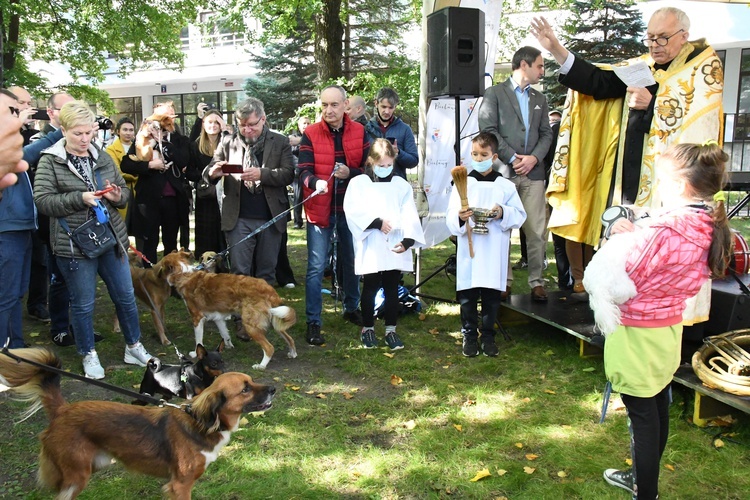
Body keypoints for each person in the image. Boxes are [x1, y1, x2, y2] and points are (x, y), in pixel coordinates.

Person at [530, 7, 723, 305]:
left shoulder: (703, 67)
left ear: (684, 36)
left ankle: (660, 315)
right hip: (627, 180)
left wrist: (653, 105)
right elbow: (598, 83)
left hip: (673, 185)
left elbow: (700, 127)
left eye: (663, 38)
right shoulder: (642, 66)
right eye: (650, 39)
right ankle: (625, 309)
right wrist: (556, 48)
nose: (655, 45)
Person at [582, 142, 731, 499]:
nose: (658, 187)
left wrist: (617, 241)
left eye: (661, 180)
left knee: (642, 416)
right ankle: (640, 478)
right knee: (657, 402)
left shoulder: (663, 231)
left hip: (635, 332)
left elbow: (619, 284)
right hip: (668, 327)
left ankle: (644, 490)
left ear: (680, 185)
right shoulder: (707, 223)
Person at [33, 101, 153, 379]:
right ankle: (88, 353)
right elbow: (43, 201)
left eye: (89, 133)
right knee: (83, 303)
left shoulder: (101, 155)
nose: (85, 139)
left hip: (110, 238)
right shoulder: (50, 159)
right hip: (74, 245)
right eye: (78, 133)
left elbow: (124, 191)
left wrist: (115, 195)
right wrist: (80, 198)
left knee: (125, 297)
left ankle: (133, 346)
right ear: (63, 130)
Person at [478, 46, 553, 303]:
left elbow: (547, 134)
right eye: (540, 66)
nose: (543, 71)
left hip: (533, 174)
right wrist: (512, 158)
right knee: (502, 228)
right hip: (505, 173)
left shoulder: (540, 100)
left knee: (536, 230)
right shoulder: (494, 94)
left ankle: (537, 282)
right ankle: (503, 281)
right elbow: (488, 130)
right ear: (524, 65)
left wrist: (533, 159)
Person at [298, 85, 370, 345]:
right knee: (316, 267)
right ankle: (313, 321)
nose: (328, 110)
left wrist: (350, 173)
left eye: (334, 105)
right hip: (320, 211)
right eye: (324, 105)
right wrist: (314, 181)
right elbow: (303, 170)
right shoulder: (310, 133)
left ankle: (352, 307)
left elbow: (370, 169)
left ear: (345, 106)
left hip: (350, 210)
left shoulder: (360, 131)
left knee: (352, 261)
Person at [446, 132, 527, 357]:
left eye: (483, 155)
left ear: (494, 157)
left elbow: (520, 215)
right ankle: (469, 334)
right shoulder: (463, 182)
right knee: (468, 293)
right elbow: (450, 215)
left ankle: (489, 335)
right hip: (469, 248)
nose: (478, 159)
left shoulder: (505, 186)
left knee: (491, 294)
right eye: (474, 154)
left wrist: (502, 212)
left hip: (493, 248)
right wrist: (461, 218)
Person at [344, 138, 425, 350]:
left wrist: (408, 240)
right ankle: (368, 328)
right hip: (371, 241)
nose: (385, 169)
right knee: (370, 286)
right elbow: (352, 210)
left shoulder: (400, 185)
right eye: (381, 165)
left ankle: (391, 330)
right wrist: (377, 223)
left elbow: (410, 213)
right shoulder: (359, 183)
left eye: (389, 165)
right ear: (371, 161)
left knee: (391, 287)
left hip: (394, 243)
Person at [204, 98, 294, 284]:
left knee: (266, 272)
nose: (247, 130)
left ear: (263, 119)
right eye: (242, 125)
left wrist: (262, 174)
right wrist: (213, 173)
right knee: (239, 272)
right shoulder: (228, 142)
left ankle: (263, 312)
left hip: (270, 216)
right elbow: (209, 170)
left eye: (252, 124)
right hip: (238, 218)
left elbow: (288, 175)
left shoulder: (280, 142)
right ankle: (240, 313)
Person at [121, 101, 192, 265]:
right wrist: (150, 165)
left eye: (171, 115)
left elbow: (183, 161)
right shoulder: (143, 137)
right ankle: (149, 278)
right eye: (164, 116)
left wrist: (164, 143)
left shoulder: (179, 139)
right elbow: (126, 164)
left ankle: (170, 279)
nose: (168, 120)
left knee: (171, 242)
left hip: (173, 200)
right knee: (149, 242)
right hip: (149, 199)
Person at [0, 89, 36, 349]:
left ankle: (17, 349)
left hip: (22, 229)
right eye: (13, 109)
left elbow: (29, 156)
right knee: (6, 296)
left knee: (15, 295)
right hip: (7, 232)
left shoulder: (13, 149)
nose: (19, 114)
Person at [186, 109, 227, 261]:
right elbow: (189, 172)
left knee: (224, 228)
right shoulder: (195, 146)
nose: (213, 125)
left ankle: (225, 262)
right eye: (210, 122)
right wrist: (207, 175)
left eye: (217, 122)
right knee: (206, 231)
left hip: (226, 192)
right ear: (203, 124)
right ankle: (206, 263)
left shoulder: (227, 142)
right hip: (206, 195)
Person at [364, 88, 418, 181]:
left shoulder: (405, 129)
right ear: (376, 103)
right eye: (384, 107)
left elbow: (413, 161)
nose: (387, 111)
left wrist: (398, 153)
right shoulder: (366, 129)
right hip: (372, 184)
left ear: (395, 106)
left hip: (396, 184)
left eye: (390, 107)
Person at [289, 115, 311, 229]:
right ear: (299, 125)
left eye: (308, 123)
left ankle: (310, 220)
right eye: (304, 123)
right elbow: (293, 152)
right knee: (298, 199)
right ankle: (298, 221)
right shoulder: (293, 138)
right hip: (298, 173)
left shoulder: (312, 137)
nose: (306, 126)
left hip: (311, 173)